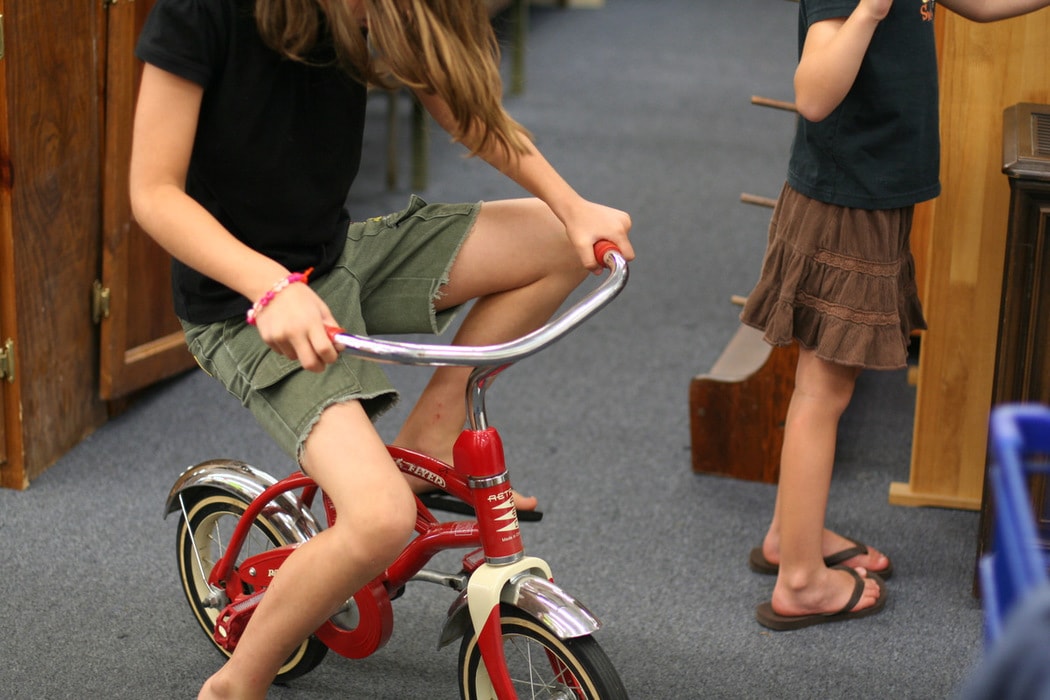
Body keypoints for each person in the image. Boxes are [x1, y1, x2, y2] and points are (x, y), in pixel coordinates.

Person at [128, 0, 633, 696]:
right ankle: (235, 683)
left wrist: (573, 208)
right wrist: (270, 286)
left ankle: (431, 433)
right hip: (241, 306)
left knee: (556, 243)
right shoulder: (201, 11)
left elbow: (465, 113)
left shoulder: (369, 12)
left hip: (339, 261)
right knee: (380, 520)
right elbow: (152, 192)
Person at [739, 0, 1050, 631]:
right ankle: (800, 581)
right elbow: (813, 96)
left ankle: (788, 537)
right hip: (847, 201)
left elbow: (983, 4)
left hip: (866, 193)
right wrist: (870, 11)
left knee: (824, 388)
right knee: (822, 391)